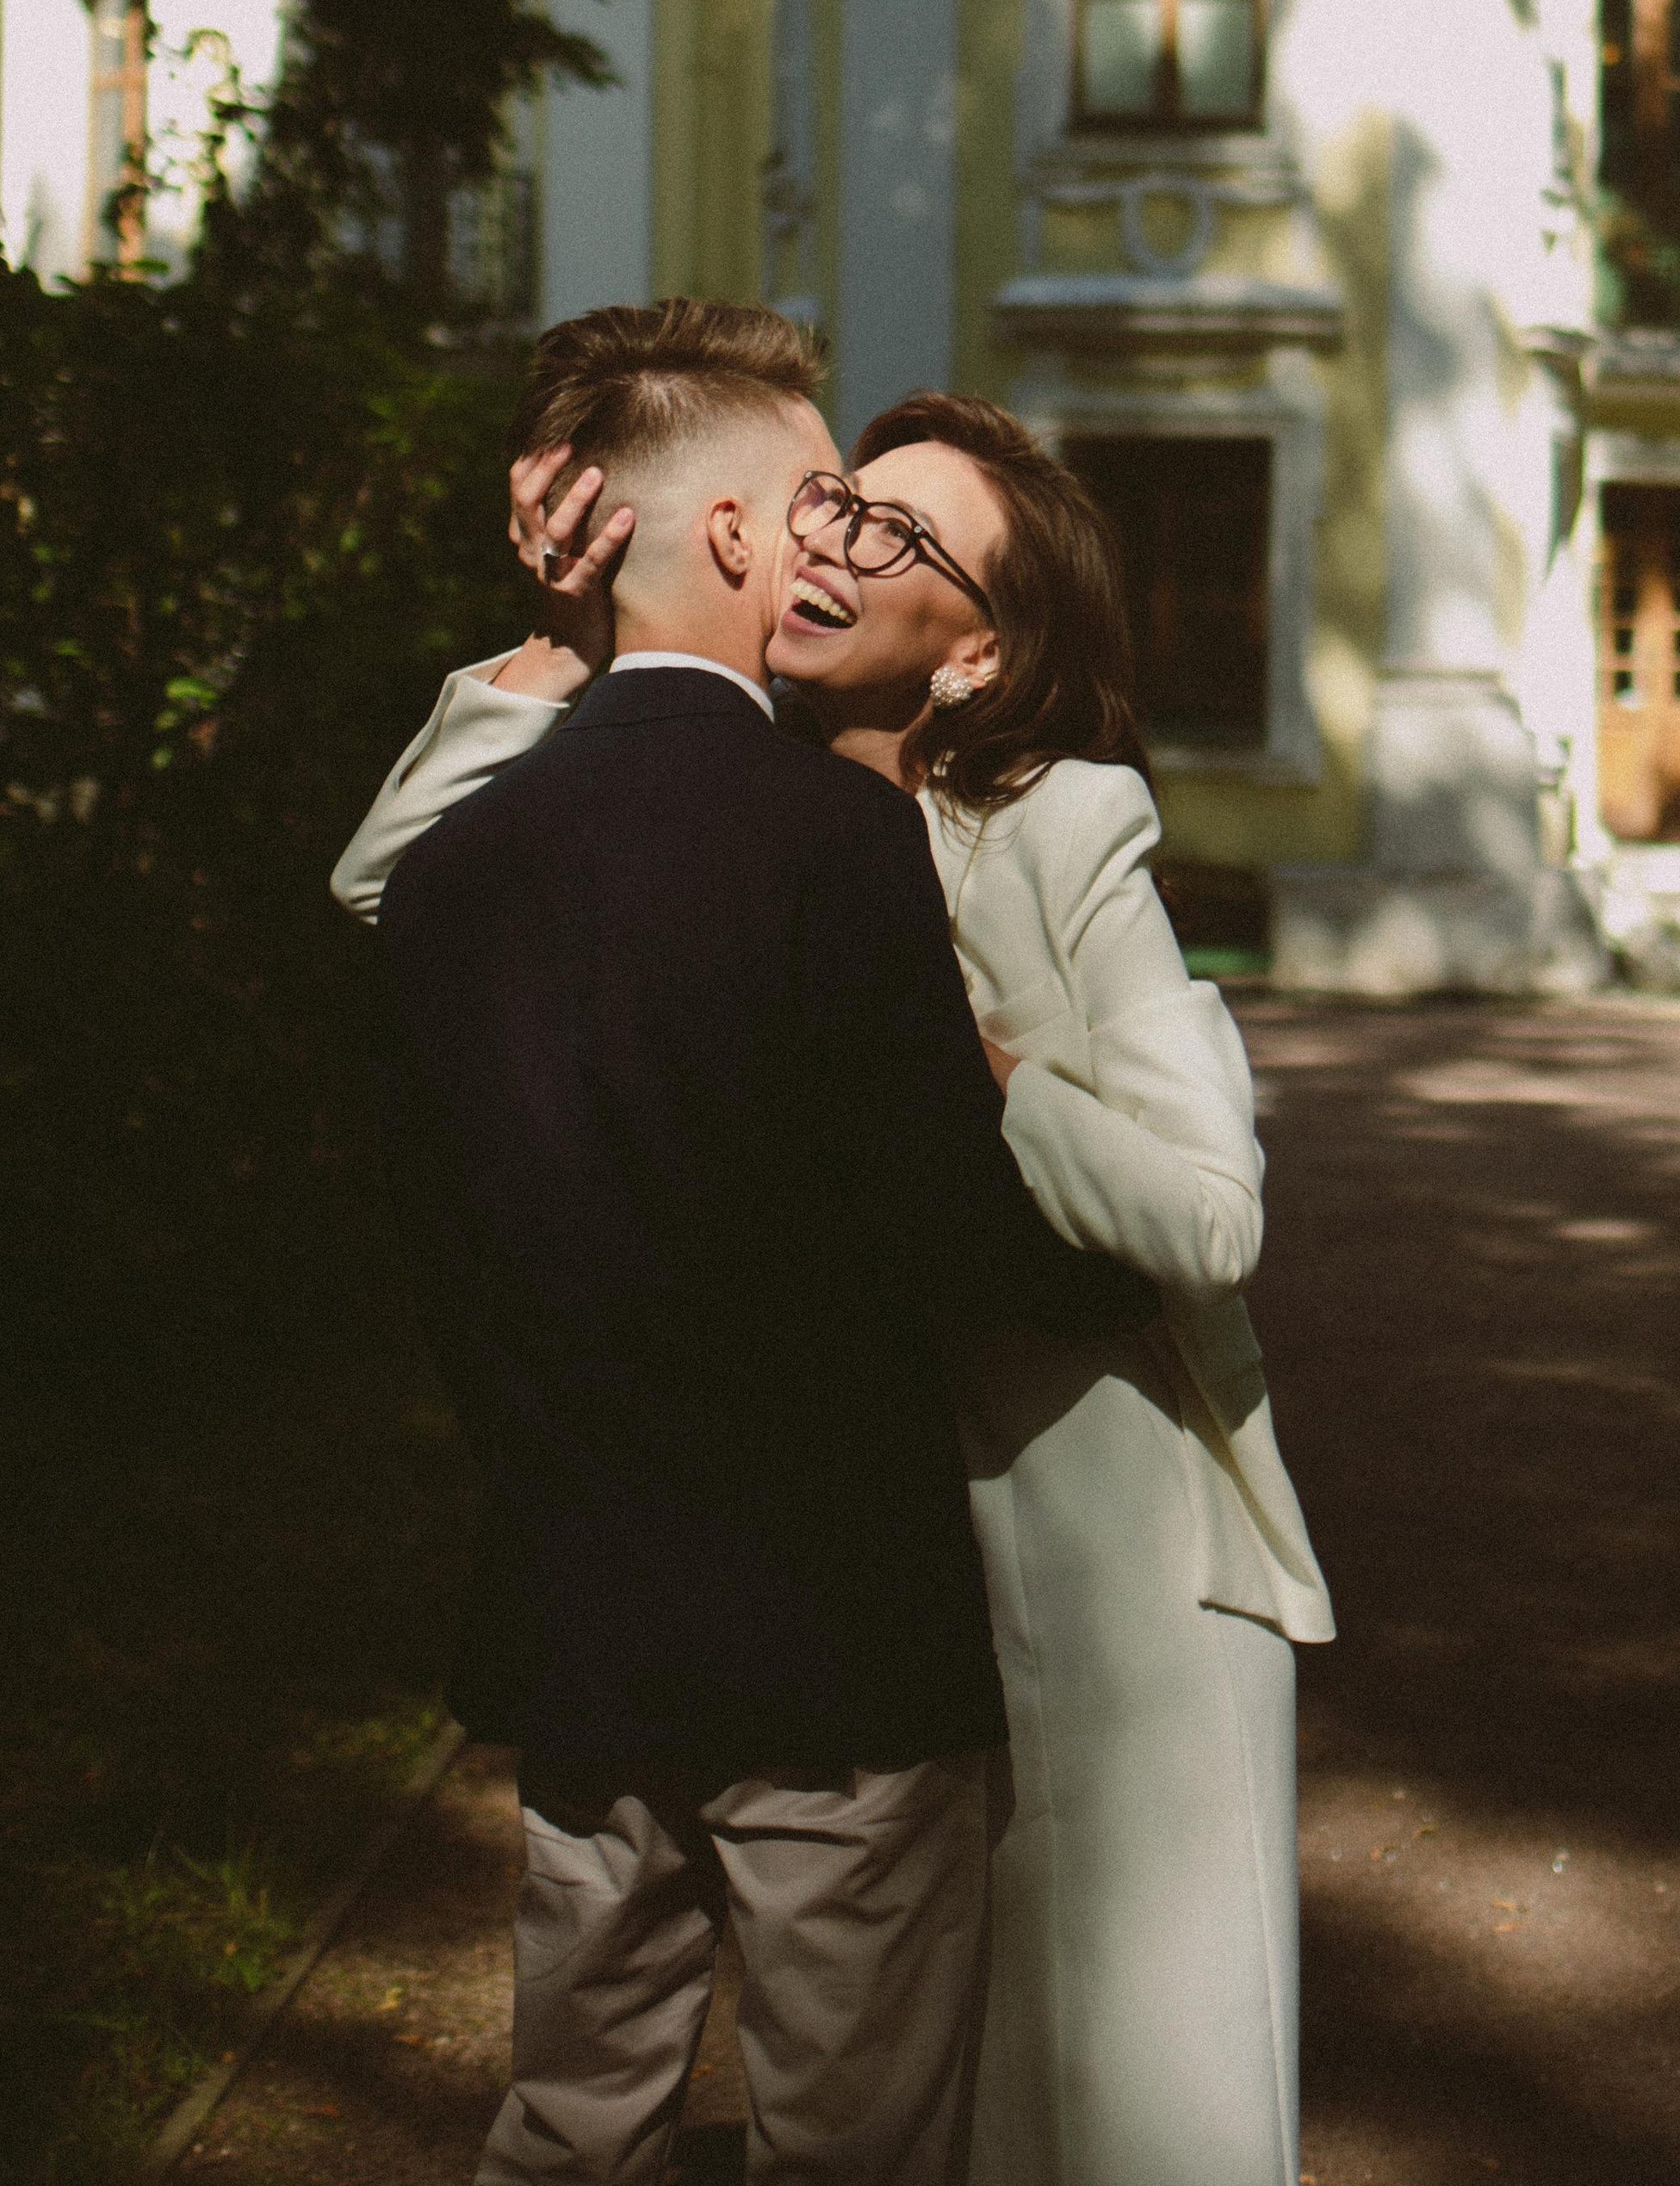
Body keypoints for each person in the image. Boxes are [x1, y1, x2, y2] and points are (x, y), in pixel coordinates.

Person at [335, 325, 1333, 2186]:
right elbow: (415, 887)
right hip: (830, 1558)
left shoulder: (1053, 825)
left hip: (1062, 1533)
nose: (827, 548)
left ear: (977, 649)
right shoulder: (741, 798)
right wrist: (575, 636)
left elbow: (1200, 1220)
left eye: (883, 536)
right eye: (829, 509)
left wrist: (992, 1074)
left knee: (1106, 2093)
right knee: (885, 2096)